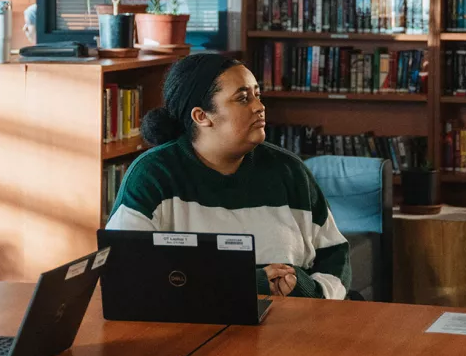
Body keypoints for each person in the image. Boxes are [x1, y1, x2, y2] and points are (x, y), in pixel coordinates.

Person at [105, 54, 351, 300]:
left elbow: (335, 256)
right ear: (202, 116)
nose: (259, 106)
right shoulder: (153, 175)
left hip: (294, 326)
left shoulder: (290, 171)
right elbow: (126, 271)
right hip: (191, 330)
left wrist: (310, 292)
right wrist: (247, 284)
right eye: (243, 98)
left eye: (257, 94)